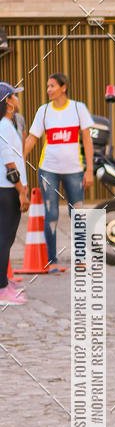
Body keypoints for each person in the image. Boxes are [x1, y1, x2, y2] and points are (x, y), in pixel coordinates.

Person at [23, 73, 94, 273]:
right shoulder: (43, 111)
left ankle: (81, 259)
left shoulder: (78, 108)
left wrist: (89, 170)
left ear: (63, 87)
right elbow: (32, 139)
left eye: (52, 86)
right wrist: (17, 158)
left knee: (78, 214)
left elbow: (87, 141)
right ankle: (51, 261)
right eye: (47, 86)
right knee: (52, 214)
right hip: (48, 170)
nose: (48, 90)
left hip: (75, 171)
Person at [0, 83, 30, 305]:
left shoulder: (7, 124)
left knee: (5, 238)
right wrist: (22, 191)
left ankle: (4, 281)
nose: (17, 99)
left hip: (8, 188)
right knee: (4, 238)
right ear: (8, 101)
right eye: (14, 96)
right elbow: (9, 163)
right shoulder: (4, 126)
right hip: (8, 189)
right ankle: (2, 289)